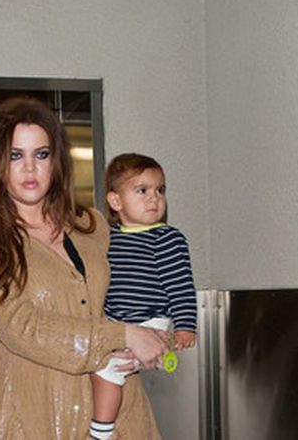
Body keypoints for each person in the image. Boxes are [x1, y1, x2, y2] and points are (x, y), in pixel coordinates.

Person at [0, 97, 168, 440]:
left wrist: (155, 337)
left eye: (41, 154)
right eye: (16, 155)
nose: (30, 168)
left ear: (56, 161)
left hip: (120, 414)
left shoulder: (91, 225)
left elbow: (139, 286)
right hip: (37, 418)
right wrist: (122, 336)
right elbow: (23, 328)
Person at [89, 153, 198, 439]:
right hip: (117, 321)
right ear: (116, 201)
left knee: (107, 371)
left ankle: (101, 430)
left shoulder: (167, 238)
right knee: (98, 362)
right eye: (142, 190)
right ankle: (159, 358)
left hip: (150, 319)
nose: (154, 198)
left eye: (160, 190)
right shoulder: (108, 239)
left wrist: (185, 326)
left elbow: (181, 285)